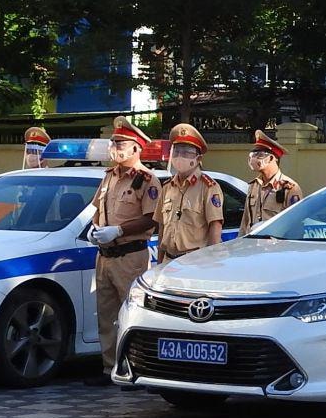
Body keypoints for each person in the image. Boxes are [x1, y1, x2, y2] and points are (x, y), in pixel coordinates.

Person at [85, 116, 159, 385]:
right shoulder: (108, 177)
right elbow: (98, 212)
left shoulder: (146, 180)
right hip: (104, 257)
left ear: (136, 148)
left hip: (130, 255)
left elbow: (152, 217)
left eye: (121, 143)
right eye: (113, 142)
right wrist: (95, 229)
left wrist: (118, 231)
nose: (115, 147)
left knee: (130, 314)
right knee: (106, 315)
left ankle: (132, 368)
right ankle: (109, 369)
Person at [157, 123, 224, 262]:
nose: (180, 156)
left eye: (186, 152)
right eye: (176, 151)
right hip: (168, 261)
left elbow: (215, 228)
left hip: (195, 262)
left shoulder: (208, 187)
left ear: (198, 159)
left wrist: (211, 262)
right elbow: (161, 227)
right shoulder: (167, 187)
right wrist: (159, 263)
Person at [240, 129, 302, 236]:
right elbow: (245, 222)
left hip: (276, 247)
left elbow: (296, 224)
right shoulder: (254, 185)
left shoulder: (290, 188)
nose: (253, 159)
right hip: (252, 245)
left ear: (271, 158)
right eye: (253, 155)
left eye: (259, 155)